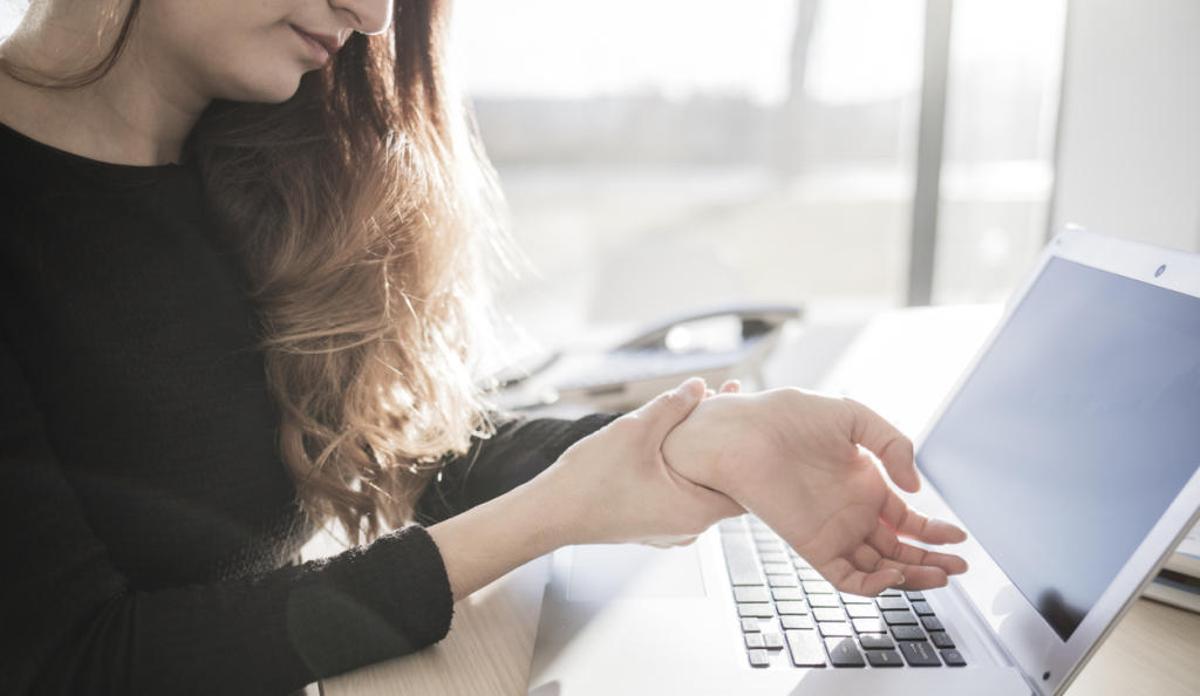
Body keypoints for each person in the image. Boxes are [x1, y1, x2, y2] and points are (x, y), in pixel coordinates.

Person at [0, 1, 968, 693]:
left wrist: (694, 440)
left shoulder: (260, 167)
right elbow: (77, 664)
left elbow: (400, 447)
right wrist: (550, 515)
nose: (374, 16)